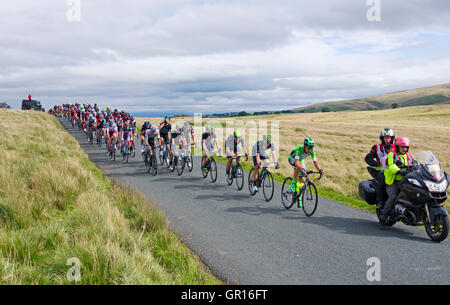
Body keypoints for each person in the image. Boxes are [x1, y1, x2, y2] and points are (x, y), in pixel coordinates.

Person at [379, 137, 414, 223]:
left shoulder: (409, 156)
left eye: (406, 147)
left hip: (405, 180)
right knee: (393, 197)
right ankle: (384, 215)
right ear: (397, 147)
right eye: (402, 147)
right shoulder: (392, 154)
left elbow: (414, 164)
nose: (404, 149)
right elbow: (391, 165)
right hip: (393, 181)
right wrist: (399, 171)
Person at [288, 137, 325, 208]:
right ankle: (293, 181)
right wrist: (301, 169)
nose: (309, 150)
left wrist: (320, 169)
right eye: (308, 148)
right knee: (300, 167)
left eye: (311, 148)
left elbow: (315, 162)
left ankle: (299, 198)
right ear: (304, 146)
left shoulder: (312, 150)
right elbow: (296, 162)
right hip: (292, 159)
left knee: (303, 180)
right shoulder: (299, 149)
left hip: (300, 160)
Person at [365, 128, 396, 206]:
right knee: (381, 182)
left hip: (394, 171)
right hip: (381, 171)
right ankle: (380, 202)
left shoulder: (396, 147)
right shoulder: (376, 148)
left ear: (392, 138)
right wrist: (377, 164)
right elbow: (368, 158)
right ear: (382, 138)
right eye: (385, 138)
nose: (387, 140)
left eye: (389, 138)